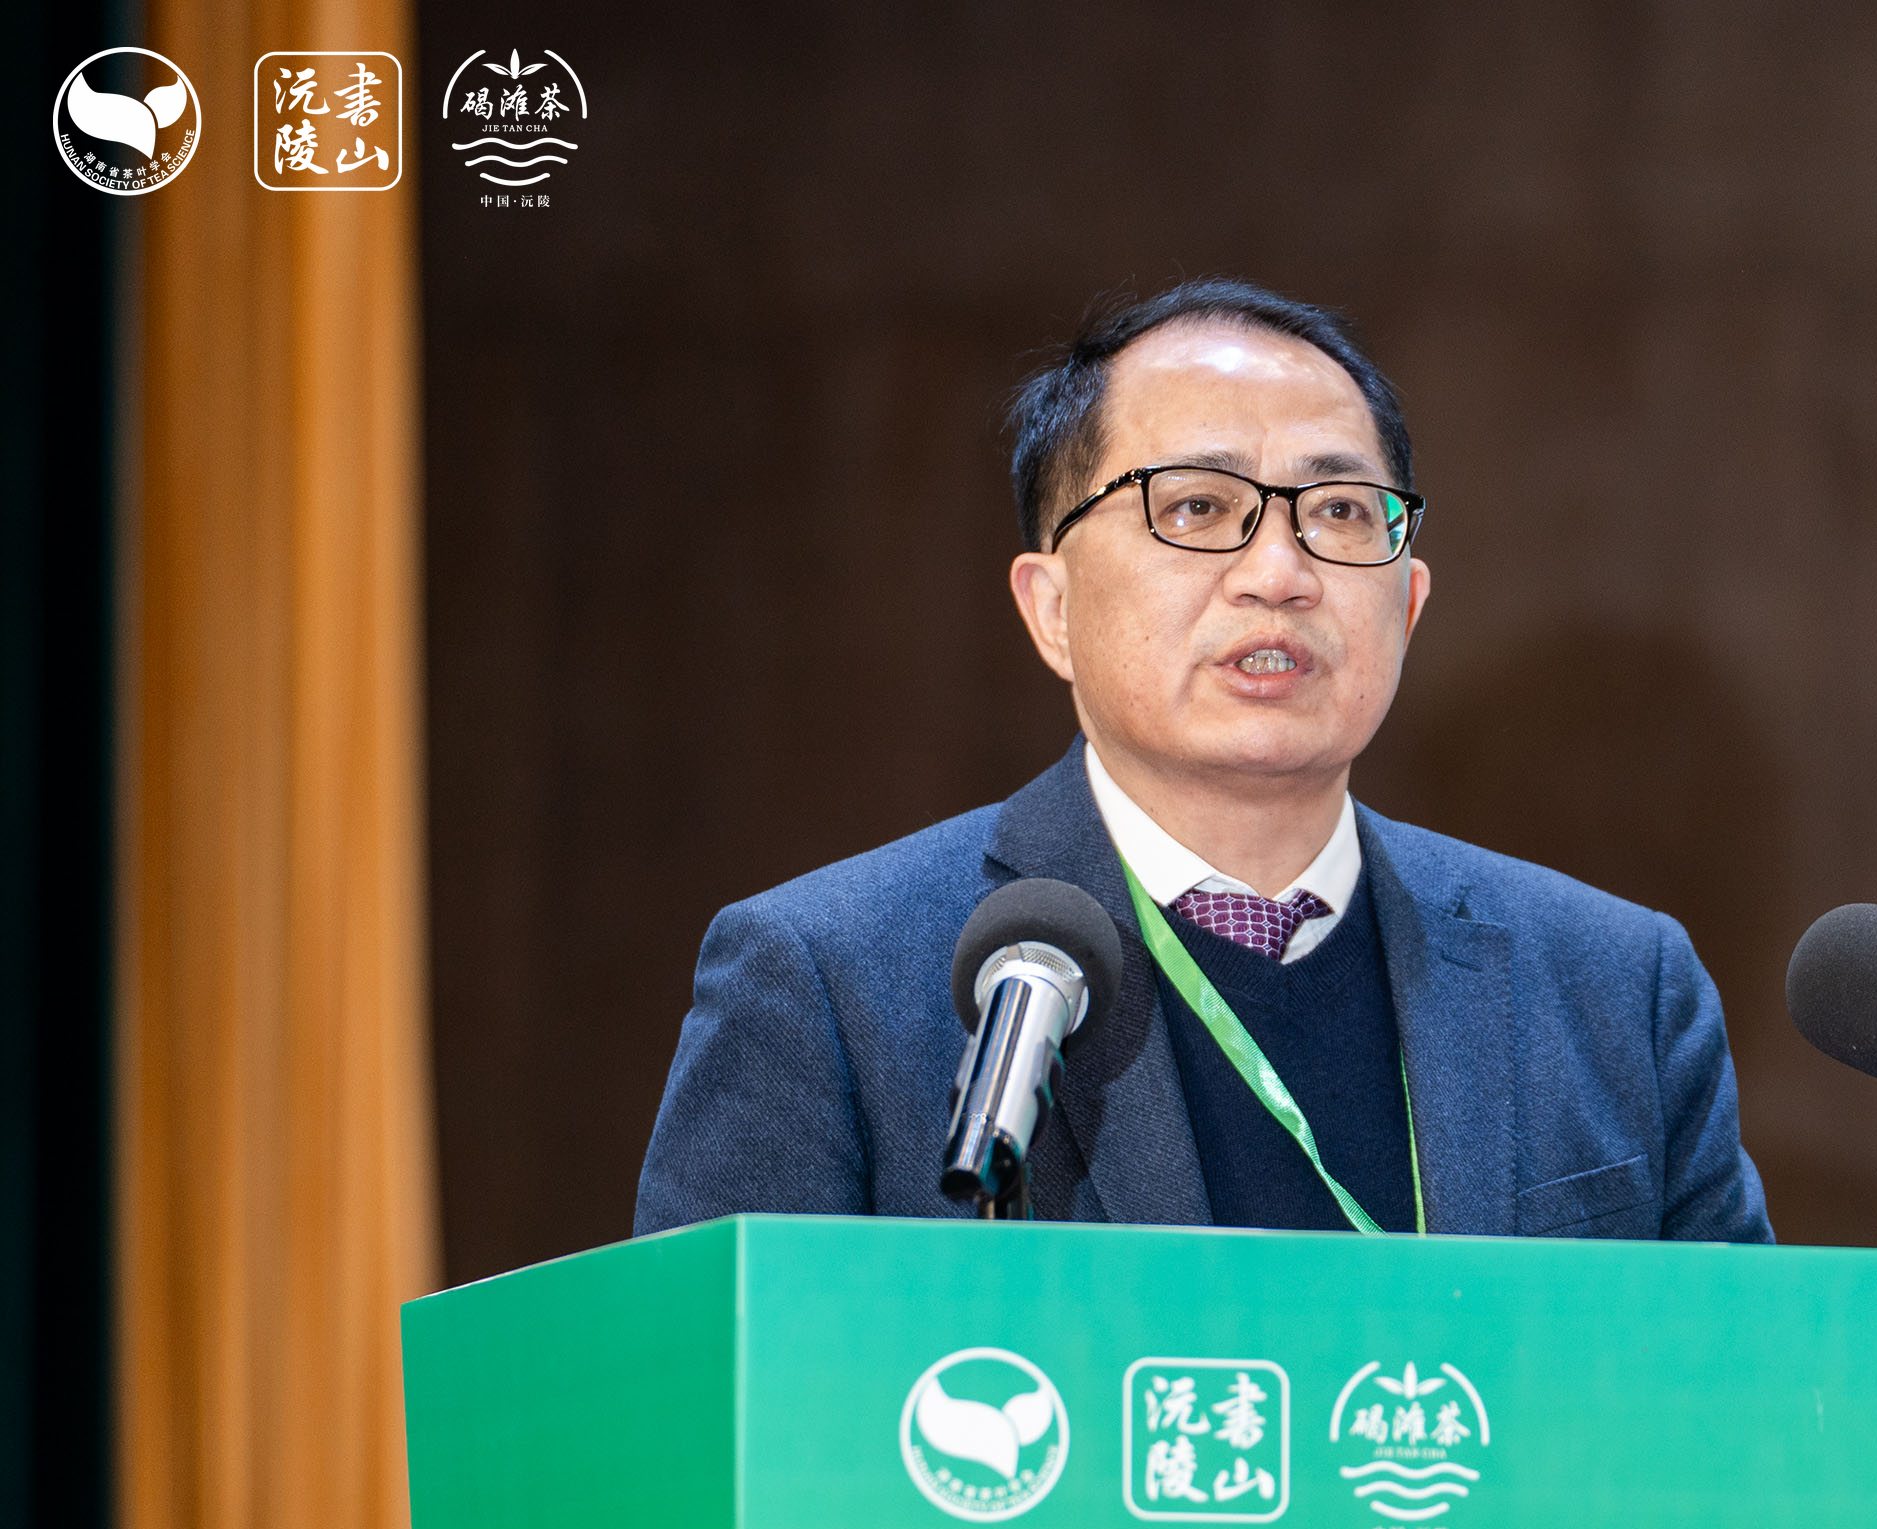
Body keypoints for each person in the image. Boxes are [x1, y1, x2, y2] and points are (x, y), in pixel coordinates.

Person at [635, 278, 1771, 1242]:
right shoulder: (828, 983)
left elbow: (1741, 1400)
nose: (1279, 572)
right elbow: (688, 1400)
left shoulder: (1615, 988)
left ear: (1409, 605)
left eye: (1339, 512)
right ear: (1052, 610)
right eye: (1195, 506)